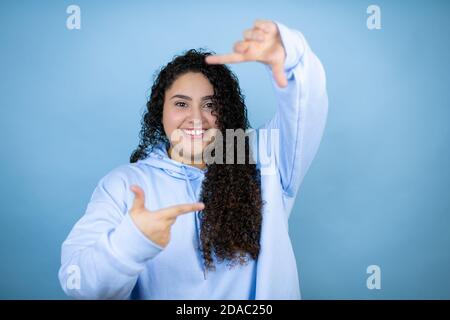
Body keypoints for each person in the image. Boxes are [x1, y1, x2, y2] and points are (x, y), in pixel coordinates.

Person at [58, 19, 328, 299]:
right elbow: (79, 283)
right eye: (181, 104)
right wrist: (132, 241)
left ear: (226, 112)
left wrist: (291, 57)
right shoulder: (124, 185)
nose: (196, 118)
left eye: (210, 105)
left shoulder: (264, 158)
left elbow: (307, 109)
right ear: (159, 112)